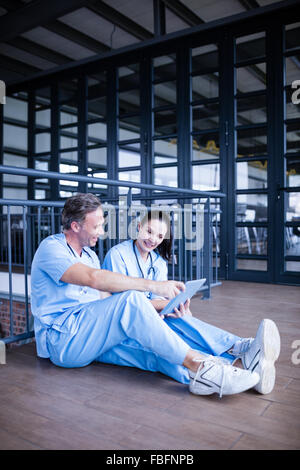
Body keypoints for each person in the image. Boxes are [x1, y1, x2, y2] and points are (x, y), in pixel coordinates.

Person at [30, 193, 278, 399]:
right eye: (97, 226)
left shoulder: (90, 255)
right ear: (76, 226)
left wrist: (162, 309)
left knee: (152, 350)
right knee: (133, 301)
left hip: (90, 334)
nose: (103, 232)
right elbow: (95, 279)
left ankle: (226, 366)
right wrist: (155, 289)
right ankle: (200, 364)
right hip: (62, 340)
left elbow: (106, 301)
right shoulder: (52, 248)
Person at [102, 209, 281, 394]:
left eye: (160, 235)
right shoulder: (118, 255)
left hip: (149, 317)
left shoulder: (158, 262)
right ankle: (235, 364)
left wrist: (175, 308)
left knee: (182, 319)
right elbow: (121, 305)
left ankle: (243, 354)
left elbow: (156, 300)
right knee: (169, 344)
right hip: (124, 323)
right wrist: (164, 305)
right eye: (149, 231)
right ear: (138, 227)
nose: (153, 239)